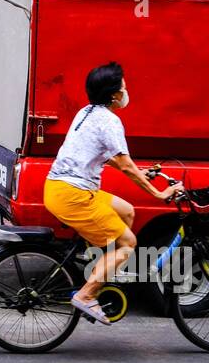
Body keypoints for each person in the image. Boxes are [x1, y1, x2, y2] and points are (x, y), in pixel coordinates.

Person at [43, 61, 178, 325]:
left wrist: (142, 173)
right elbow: (124, 164)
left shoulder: (86, 113)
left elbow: (113, 159)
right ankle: (86, 295)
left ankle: (105, 270)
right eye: (124, 87)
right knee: (128, 243)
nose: (127, 91)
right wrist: (159, 193)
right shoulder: (109, 121)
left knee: (127, 211)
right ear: (114, 94)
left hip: (62, 189)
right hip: (73, 195)